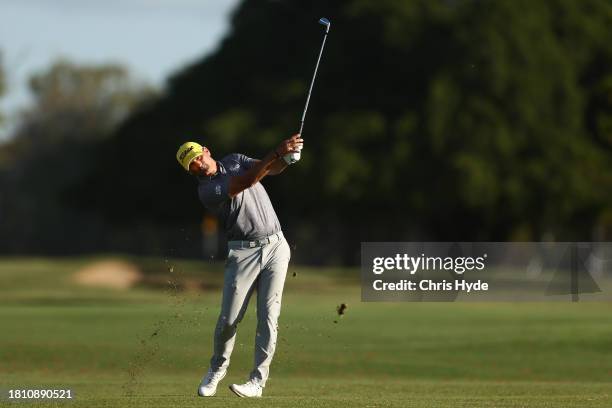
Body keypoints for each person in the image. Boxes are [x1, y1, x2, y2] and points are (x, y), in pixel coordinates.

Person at [175, 134, 303, 398]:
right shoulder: (207, 191)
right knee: (228, 321)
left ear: (206, 151)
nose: (198, 164)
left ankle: (257, 381)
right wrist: (277, 151)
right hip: (243, 253)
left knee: (268, 318)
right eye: (192, 165)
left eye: (198, 157)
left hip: (276, 247)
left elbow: (270, 168)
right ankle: (217, 368)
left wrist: (288, 158)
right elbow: (248, 180)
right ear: (191, 172)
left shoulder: (234, 160)